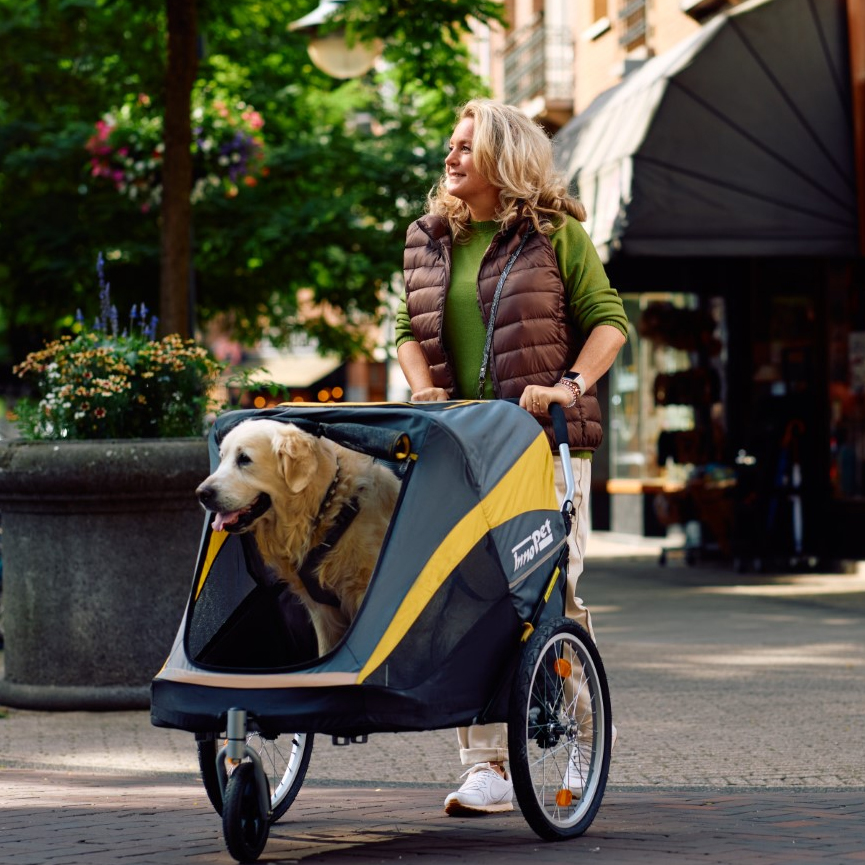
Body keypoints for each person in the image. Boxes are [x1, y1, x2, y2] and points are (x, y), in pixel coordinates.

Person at [394, 98, 629, 816]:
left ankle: (582, 742)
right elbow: (405, 325)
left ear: (503, 156)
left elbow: (608, 322)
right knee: (461, 593)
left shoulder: (554, 235)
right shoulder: (428, 237)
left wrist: (566, 386)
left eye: (467, 146)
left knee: (547, 594)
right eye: (450, 144)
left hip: (542, 445)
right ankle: (485, 766)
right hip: (458, 446)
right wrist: (422, 386)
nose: (450, 156)